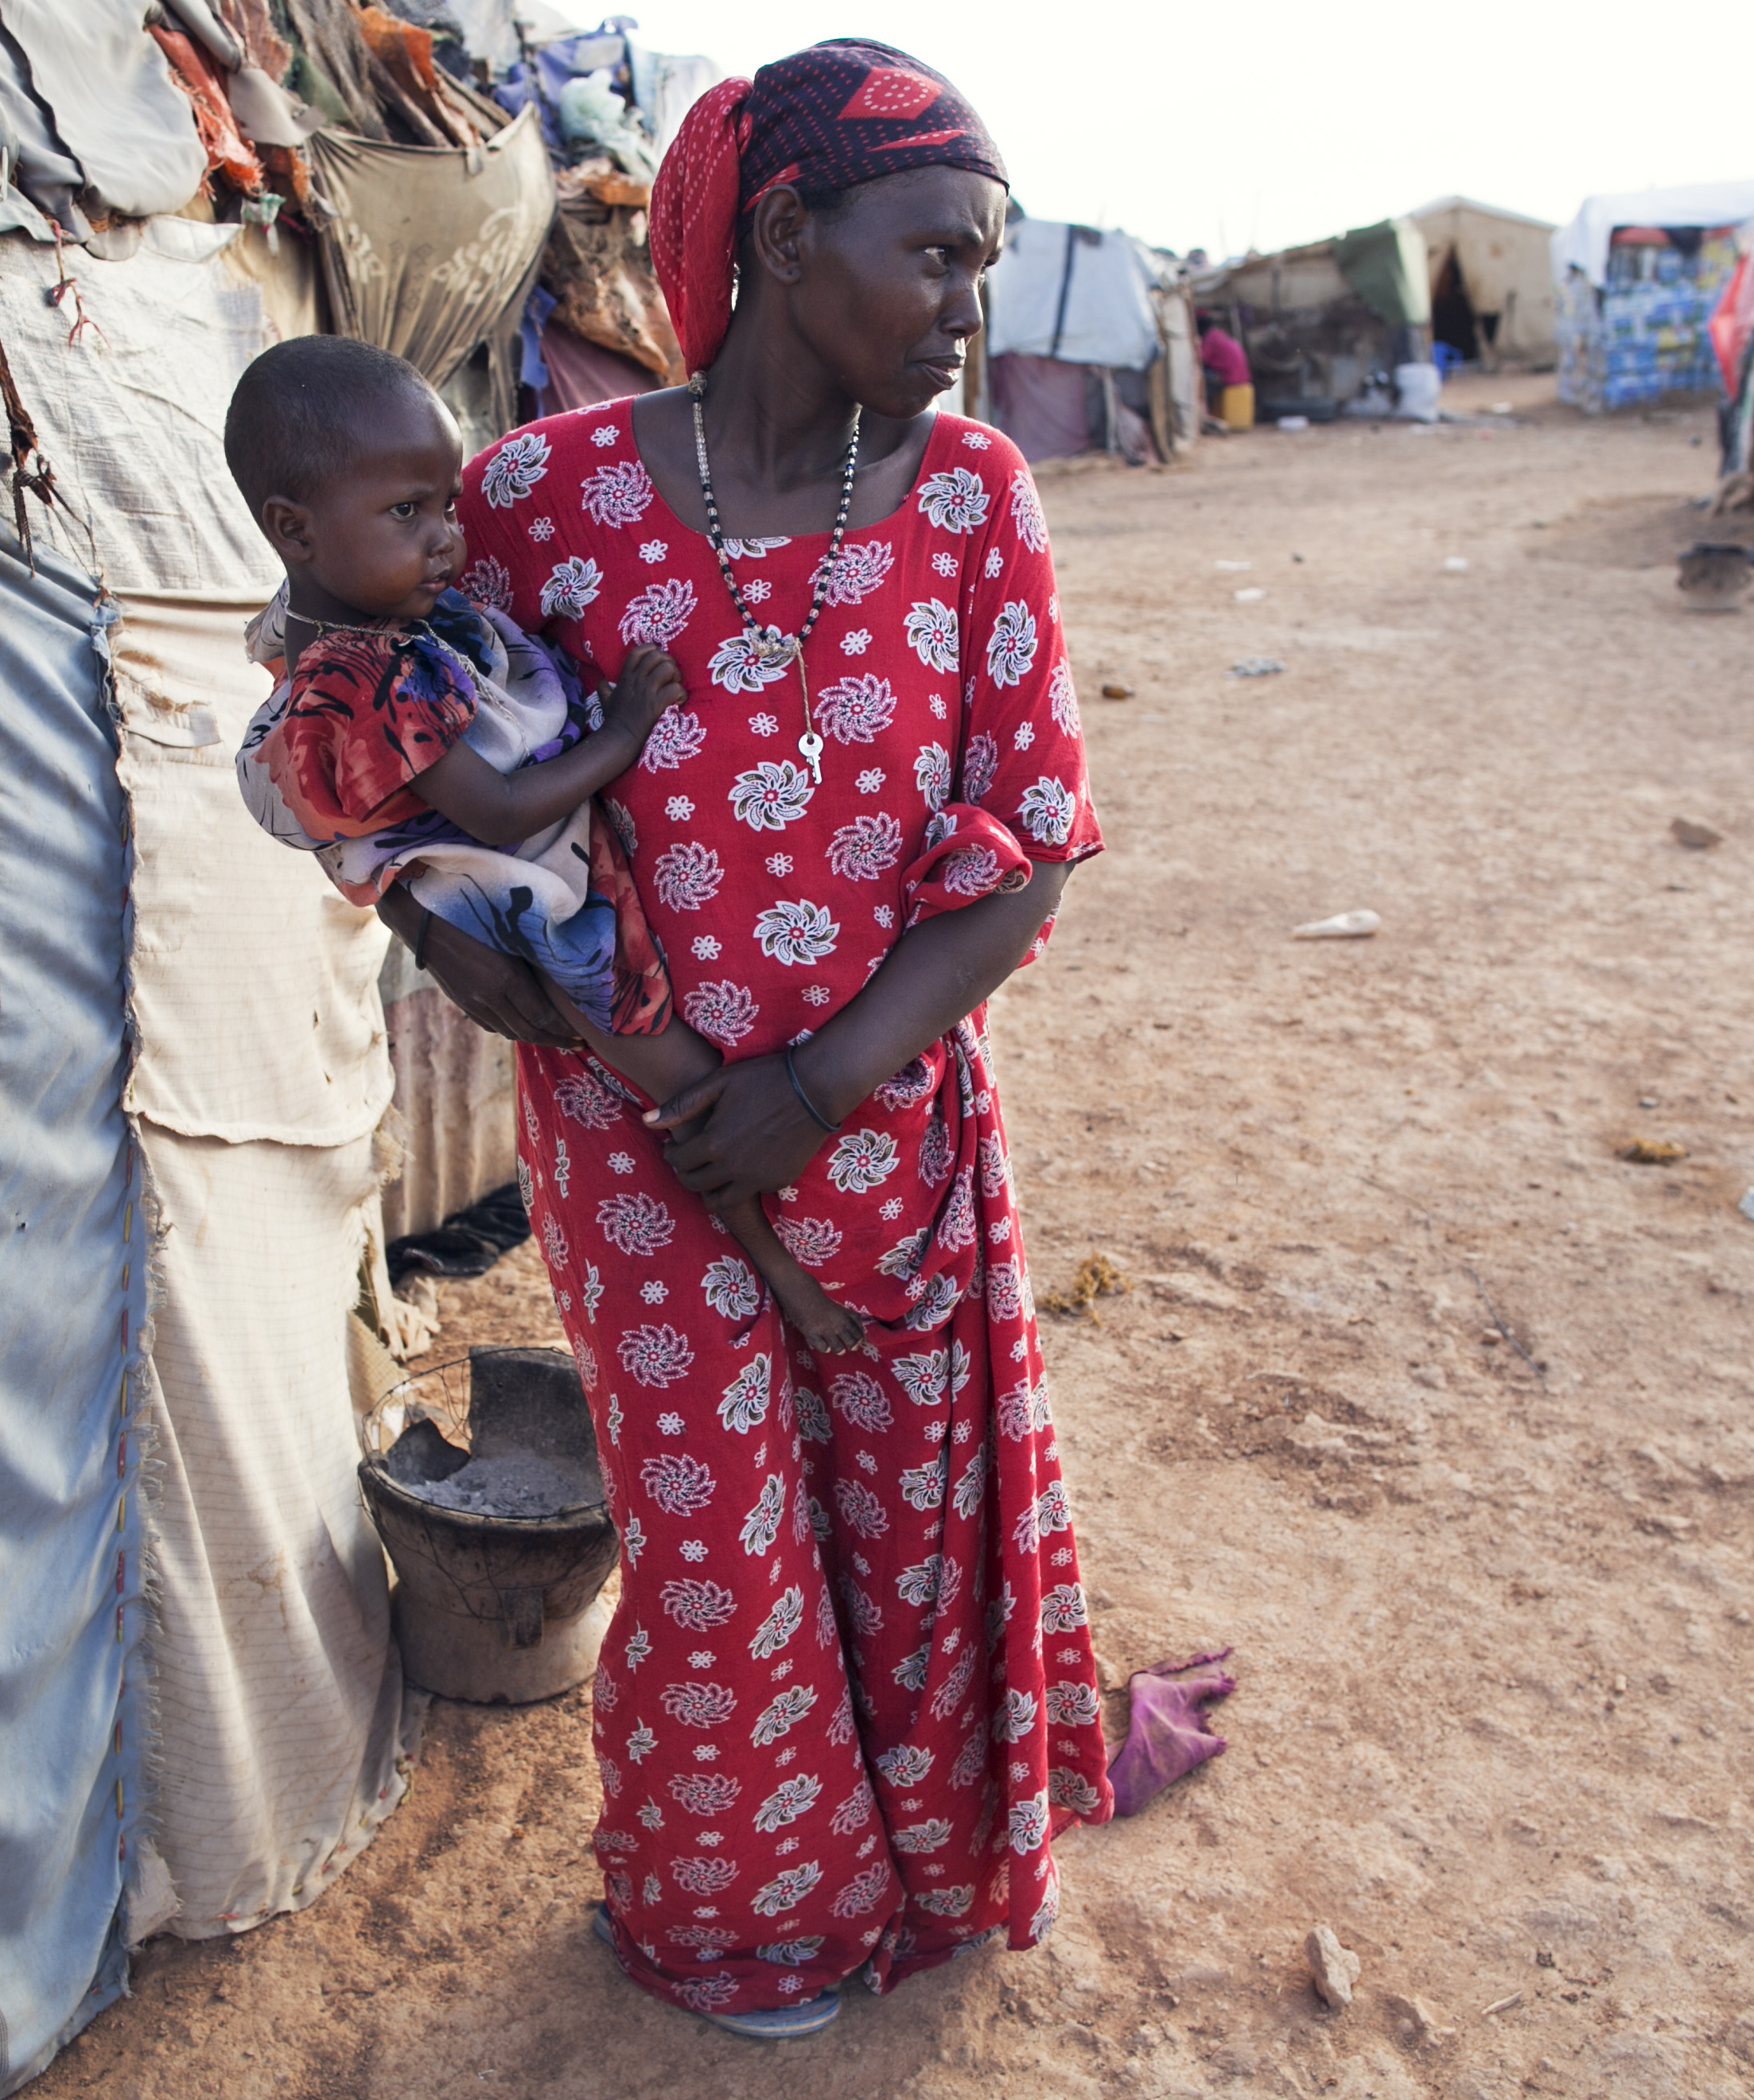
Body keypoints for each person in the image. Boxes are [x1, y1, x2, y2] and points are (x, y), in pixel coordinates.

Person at [406, 37, 1113, 2041]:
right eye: (940, 257)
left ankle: (925, 1865)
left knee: (905, 1513)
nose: (972, 309)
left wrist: (812, 1085)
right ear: (792, 237)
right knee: (717, 1543)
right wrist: (491, 974)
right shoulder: (538, 500)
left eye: (985, 263)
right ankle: (754, 1931)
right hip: (635, 1144)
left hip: (881, 1121)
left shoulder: (972, 500)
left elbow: (1030, 848)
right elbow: (417, 782)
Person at [223, 335, 871, 1353]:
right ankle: (784, 1271)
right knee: (690, 1090)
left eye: (447, 506)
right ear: (293, 531)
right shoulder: (372, 678)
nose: (447, 539)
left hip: (510, 868)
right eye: (408, 513)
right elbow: (503, 813)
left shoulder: (350, 625)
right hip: (524, 904)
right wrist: (623, 734)